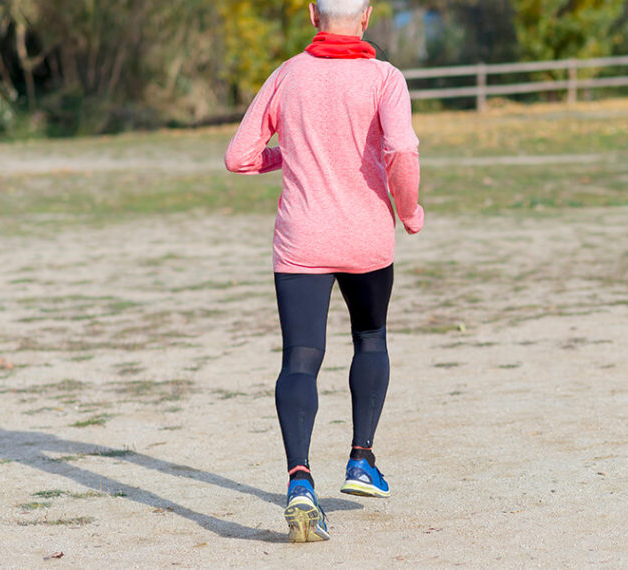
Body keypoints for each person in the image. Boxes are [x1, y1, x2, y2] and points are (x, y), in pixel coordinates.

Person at [224, 0, 423, 543]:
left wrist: (285, 157)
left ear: (313, 15)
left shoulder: (288, 75)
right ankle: (362, 460)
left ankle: (299, 482)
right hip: (367, 240)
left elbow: (240, 155)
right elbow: (402, 151)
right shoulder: (385, 78)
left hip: (301, 240)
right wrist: (409, 212)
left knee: (300, 359)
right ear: (368, 16)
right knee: (371, 338)